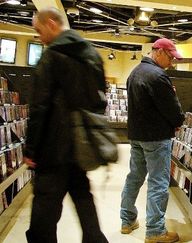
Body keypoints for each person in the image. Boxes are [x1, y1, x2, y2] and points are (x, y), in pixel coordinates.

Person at [24, 8, 108, 243]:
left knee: (44, 212)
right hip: (82, 146)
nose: (39, 37)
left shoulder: (51, 57)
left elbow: (39, 108)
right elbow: (101, 99)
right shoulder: (91, 54)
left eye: (38, 31)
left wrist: (31, 149)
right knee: (83, 198)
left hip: (52, 148)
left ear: (51, 23)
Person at [120, 38, 184, 243]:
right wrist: (179, 120)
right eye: (171, 57)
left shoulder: (134, 72)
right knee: (158, 182)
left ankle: (127, 220)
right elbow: (172, 110)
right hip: (157, 137)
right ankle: (155, 231)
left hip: (137, 136)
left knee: (134, 177)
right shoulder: (158, 76)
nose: (172, 62)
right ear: (159, 52)